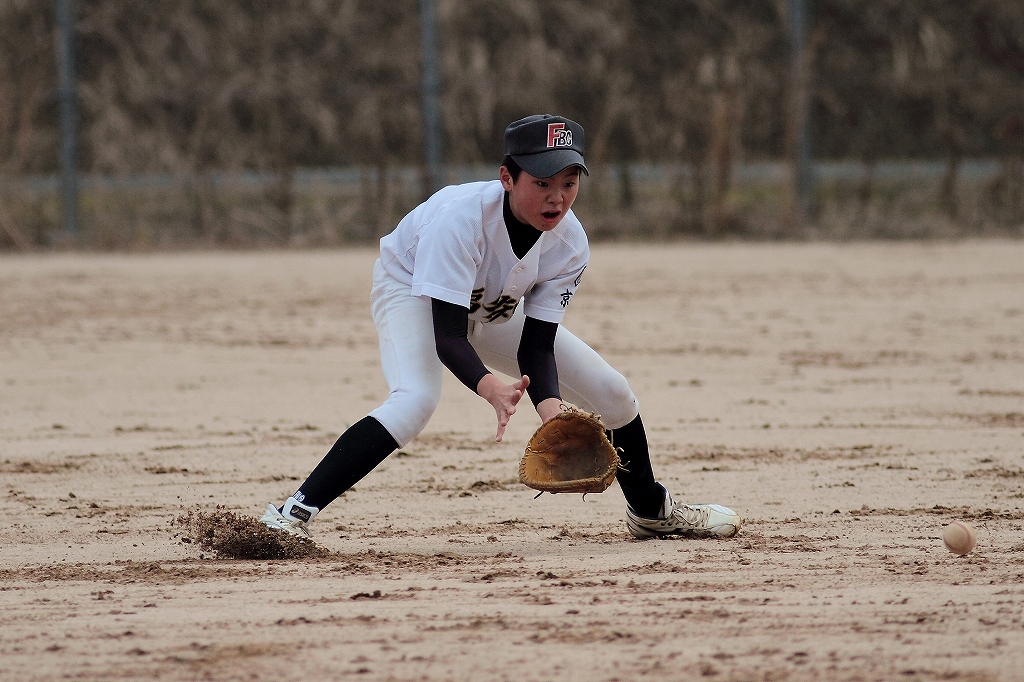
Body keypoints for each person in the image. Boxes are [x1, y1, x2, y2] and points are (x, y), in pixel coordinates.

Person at [260, 114, 741, 541]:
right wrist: (490, 387)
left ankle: (652, 511)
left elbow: (538, 342)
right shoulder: (459, 219)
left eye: (570, 182)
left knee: (613, 392)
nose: (557, 198)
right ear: (507, 177)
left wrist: (551, 411)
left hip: (490, 304)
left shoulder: (569, 243)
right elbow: (449, 335)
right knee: (415, 400)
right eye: (543, 182)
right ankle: (290, 514)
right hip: (413, 292)